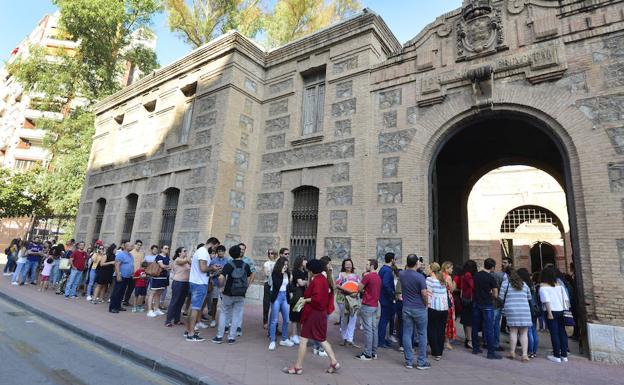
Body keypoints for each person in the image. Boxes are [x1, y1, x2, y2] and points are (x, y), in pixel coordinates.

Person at [282, 259, 340, 375]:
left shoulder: (318, 280)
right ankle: (334, 362)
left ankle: (298, 367)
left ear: (312, 270)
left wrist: (305, 300)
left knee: (303, 339)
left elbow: (317, 300)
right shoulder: (323, 279)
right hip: (320, 314)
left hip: (313, 314)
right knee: (321, 339)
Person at [212, 245, 252, 345]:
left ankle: (219, 336)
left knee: (224, 313)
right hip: (240, 294)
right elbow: (248, 277)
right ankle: (231, 338)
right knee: (236, 315)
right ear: (240, 253)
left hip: (228, 293)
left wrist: (221, 287)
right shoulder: (245, 265)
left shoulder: (228, 265)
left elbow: (221, 278)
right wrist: (245, 288)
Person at [398, 254, 430, 369]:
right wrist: (426, 304)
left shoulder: (402, 274)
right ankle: (421, 362)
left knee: (407, 333)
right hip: (419, 308)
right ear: (416, 263)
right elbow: (424, 294)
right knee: (422, 334)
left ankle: (409, 361)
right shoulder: (420, 277)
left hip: (406, 307)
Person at [499, 268, 532, 362]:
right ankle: (525, 355)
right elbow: (529, 297)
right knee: (524, 333)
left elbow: (501, 297)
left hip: (511, 310)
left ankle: (512, 352)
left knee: (513, 332)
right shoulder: (524, 284)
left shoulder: (506, 284)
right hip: (524, 310)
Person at [472, 258, 502, 359]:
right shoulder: (491, 277)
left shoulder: (476, 275)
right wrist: (491, 294)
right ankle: (491, 352)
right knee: (489, 328)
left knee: (475, 326)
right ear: (492, 267)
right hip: (487, 305)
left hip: (476, 303)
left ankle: (475, 348)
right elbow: (495, 294)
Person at [539, 266, 570, 363]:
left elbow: (546, 301)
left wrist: (549, 313)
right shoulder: (560, 286)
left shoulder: (543, 287)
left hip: (551, 311)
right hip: (561, 311)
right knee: (562, 332)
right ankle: (564, 355)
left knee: (554, 333)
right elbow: (566, 300)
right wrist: (567, 311)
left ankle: (556, 355)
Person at [186, 241, 212, 342]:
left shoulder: (200, 251)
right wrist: (212, 268)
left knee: (193, 307)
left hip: (195, 282)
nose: (213, 250)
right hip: (199, 284)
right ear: (213, 244)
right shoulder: (203, 252)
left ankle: (188, 330)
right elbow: (203, 268)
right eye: (215, 247)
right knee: (196, 309)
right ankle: (191, 334)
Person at [356, 259, 381, 361]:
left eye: (367, 264)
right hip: (375, 305)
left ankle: (367, 353)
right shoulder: (378, 277)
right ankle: (374, 352)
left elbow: (359, 288)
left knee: (368, 330)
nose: (365, 265)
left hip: (367, 305)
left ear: (371, 266)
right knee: (374, 329)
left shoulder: (368, 276)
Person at [268, 256, 295, 350]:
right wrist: (281, 273)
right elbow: (277, 285)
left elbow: (288, 285)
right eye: (284, 264)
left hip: (284, 297)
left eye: (287, 265)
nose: (286, 266)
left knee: (286, 320)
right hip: (277, 297)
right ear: (280, 265)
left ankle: (284, 339)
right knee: (274, 320)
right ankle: (272, 340)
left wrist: (290, 292)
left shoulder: (287, 273)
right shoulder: (275, 273)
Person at [426, 262, 449, 361]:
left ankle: (435, 352)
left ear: (431, 269)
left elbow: (428, 294)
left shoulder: (429, 280)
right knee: (441, 329)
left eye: (428, 268)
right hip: (444, 308)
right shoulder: (442, 279)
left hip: (434, 307)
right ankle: (440, 351)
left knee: (432, 329)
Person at [336, 258, 361, 347]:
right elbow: (337, 285)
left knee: (353, 318)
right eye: (346, 264)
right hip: (342, 299)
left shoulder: (356, 276)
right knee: (344, 319)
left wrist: (356, 292)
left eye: (349, 264)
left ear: (352, 265)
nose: (348, 265)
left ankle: (350, 339)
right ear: (343, 265)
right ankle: (344, 338)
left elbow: (360, 286)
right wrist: (347, 290)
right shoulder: (341, 275)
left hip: (354, 299)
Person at [518, 268, 540, 358]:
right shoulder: (532, 285)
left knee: (528, 331)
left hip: (527, 309)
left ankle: (530, 350)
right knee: (534, 330)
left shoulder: (523, 285)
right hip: (534, 310)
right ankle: (534, 351)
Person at [165, 247, 190, 326]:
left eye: (186, 251)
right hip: (178, 282)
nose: (186, 252)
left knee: (181, 302)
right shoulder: (178, 260)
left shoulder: (187, 261)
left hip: (186, 283)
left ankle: (177, 319)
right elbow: (186, 260)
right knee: (174, 301)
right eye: (184, 251)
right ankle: (168, 321)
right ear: (179, 253)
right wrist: (192, 250)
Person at [492, 256, 513, 351]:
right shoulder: (498, 275)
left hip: (510, 303)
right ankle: (494, 343)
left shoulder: (513, 275)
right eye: (502, 262)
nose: (503, 264)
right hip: (498, 303)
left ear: (510, 264)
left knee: (513, 324)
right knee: (495, 323)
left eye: (505, 262)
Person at [109, 241, 135, 313]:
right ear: (126, 247)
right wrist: (118, 275)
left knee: (122, 293)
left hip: (127, 277)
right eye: (131, 246)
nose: (132, 247)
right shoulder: (121, 254)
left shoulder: (130, 255)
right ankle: (112, 307)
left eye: (132, 246)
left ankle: (118, 306)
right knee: (116, 292)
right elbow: (117, 265)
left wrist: (132, 273)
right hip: (121, 276)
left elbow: (131, 265)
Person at [206, 245, 228, 328]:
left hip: (224, 285)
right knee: (214, 302)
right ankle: (213, 319)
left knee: (225, 303)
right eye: (219, 251)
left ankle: (225, 320)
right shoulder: (213, 261)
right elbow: (209, 274)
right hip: (215, 284)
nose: (221, 252)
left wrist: (223, 272)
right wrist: (216, 273)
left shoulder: (227, 261)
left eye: (222, 251)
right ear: (217, 252)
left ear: (224, 252)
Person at [147, 245, 171, 317]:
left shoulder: (167, 257)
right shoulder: (158, 257)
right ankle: (149, 310)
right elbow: (162, 266)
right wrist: (167, 266)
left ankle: (156, 309)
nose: (167, 249)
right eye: (165, 248)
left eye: (168, 248)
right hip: (156, 277)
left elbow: (169, 265)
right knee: (153, 293)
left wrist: (167, 266)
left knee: (159, 293)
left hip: (164, 277)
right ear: (162, 249)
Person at [378, 252, 396, 348]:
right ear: (392, 260)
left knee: (384, 320)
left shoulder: (382, 269)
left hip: (383, 297)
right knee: (384, 320)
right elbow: (385, 284)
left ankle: (382, 339)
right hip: (386, 299)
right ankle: (381, 341)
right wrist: (392, 293)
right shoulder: (388, 271)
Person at [289, 255, 308, 345]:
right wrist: (306, 282)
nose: (306, 262)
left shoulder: (304, 271)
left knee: (300, 316)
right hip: (297, 296)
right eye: (305, 260)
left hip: (302, 295)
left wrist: (304, 282)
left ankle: (299, 335)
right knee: (295, 316)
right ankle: (293, 335)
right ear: (300, 261)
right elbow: (301, 283)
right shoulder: (296, 271)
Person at [460, 259, 477, 349]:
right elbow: (473, 285)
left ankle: (467, 339)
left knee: (466, 320)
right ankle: (469, 340)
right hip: (469, 299)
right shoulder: (468, 275)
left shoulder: (464, 274)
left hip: (465, 299)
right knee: (468, 321)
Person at [123, 240, 144, 306]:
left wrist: (141, 273)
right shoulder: (130, 253)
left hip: (136, 274)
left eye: (140, 245)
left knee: (131, 288)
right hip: (129, 272)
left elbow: (141, 264)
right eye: (138, 244)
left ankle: (126, 301)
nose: (139, 246)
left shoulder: (141, 253)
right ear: (135, 245)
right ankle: (121, 299)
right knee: (124, 287)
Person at [441, 261, 457, 350]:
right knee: (449, 320)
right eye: (451, 268)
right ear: (447, 268)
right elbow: (451, 289)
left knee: (443, 320)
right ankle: (447, 341)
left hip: (442, 299)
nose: (452, 269)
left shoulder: (440, 275)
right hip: (448, 299)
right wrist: (455, 283)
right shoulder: (448, 277)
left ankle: (443, 339)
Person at [263, 249, 278, 329]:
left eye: (274, 253)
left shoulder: (278, 263)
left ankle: (273, 322)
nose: (273, 254)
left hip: (276, 285)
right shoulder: (267, 263)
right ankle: (265, 322)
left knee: (275, 304)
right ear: (268, 255)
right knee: (266, 303)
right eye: (271, 253)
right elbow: (266, 273)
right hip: (268, 284)